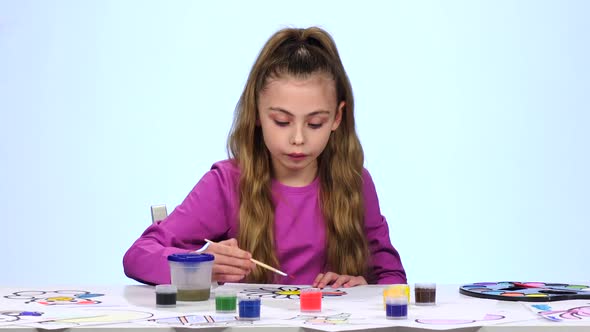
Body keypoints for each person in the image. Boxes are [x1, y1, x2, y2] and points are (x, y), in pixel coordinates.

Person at [123, 26, 406, 288]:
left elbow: (392, 278)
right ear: (257, 114)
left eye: (315, 123)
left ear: (337, 118)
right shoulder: (227, 184)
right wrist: (199, 264)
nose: (298, 138)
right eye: (282, 121)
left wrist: (364, 288)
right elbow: (137, 256)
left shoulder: (354, 182)